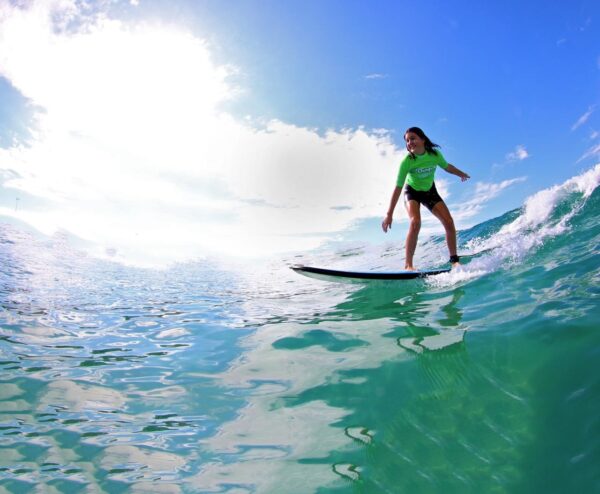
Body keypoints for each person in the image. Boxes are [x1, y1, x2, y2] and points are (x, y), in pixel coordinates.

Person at [382, 127, 470, 270]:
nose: (410, 142)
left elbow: (447, 167)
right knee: (415, 222)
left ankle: (454, 260)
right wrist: (389, 214)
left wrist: (461, 174)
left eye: (413, 138)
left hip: (429, 191)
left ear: (423, 139)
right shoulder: (407, 161)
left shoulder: (434, 155)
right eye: (407, 140)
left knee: (448, 221)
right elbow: (398, 188)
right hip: (412, 192)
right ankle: (408, 265)